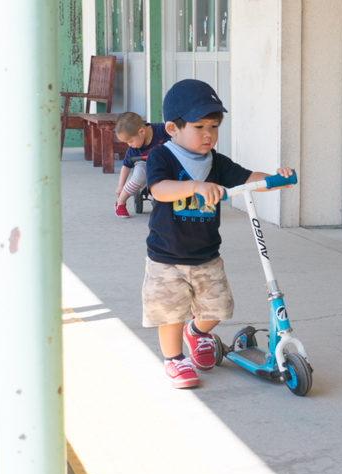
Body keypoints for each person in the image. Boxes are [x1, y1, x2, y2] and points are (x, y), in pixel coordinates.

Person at [143, 79, 296, 389]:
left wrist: (275, 179)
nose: (208, 134)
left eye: (214, 127)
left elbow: (247, 178)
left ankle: (196, 332)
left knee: (219, 308)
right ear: (172, 128)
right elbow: (159, 190)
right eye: (199, 127)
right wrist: (194, 186)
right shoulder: (163, 157)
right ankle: (174, 359)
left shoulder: (216, 162)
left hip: (207, 255)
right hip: (167, 256)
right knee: (171, 314)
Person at [113, 112, 171, 218]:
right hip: (143, 162)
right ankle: (120, 202)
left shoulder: (162, 130)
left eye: (131, 141)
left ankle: (160, 197)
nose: (130, 145)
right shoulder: (134, 149)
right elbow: (126, 165)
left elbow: (177, 136)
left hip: (163, 162)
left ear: (141, 132)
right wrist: (121, 185)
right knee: (139, 176)